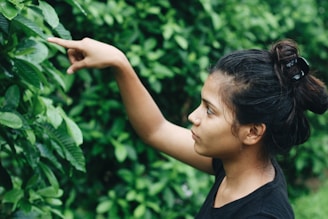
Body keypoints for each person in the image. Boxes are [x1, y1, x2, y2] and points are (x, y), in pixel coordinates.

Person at [48, 37, 328, 218]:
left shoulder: (263, 214)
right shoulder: (233, 165)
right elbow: (156, 130)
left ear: (252, 131)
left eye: (210, 110)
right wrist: (119, 63)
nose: (194, 117)